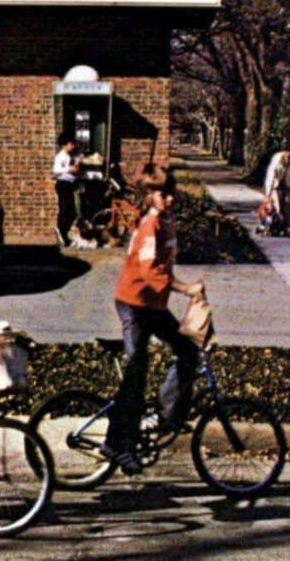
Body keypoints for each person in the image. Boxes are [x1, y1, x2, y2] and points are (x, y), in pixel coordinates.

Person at [102, 164, 204, 476]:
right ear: (149, 196)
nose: (170, 198)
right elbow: (148, 272)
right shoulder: (149, 225)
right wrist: (187, 289)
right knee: (137, 372)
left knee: (188, 350)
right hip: (134, 303)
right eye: (163, 194)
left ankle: (166, 416)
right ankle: (117, 443)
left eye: (171, 192)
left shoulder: (165, 220)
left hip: (154, 306)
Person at [52, 133, 80, 246]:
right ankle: (61, 230)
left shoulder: (68, 156)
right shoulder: (61, 156)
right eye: (71, 144)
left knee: (71, 210)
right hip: (63, 184)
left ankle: (65, 233)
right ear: (64, 145)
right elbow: (56, 170)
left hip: (69, 184)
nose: (73, 146)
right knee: (64, 208)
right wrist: (70, 169)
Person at [263, 149, 290, 235]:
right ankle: (269, 224)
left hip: (285, 182)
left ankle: (286, 224)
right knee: (274, 205)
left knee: (286, 204)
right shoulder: (276, 160)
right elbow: (270, 178)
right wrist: (268, 195)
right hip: (274, 183)